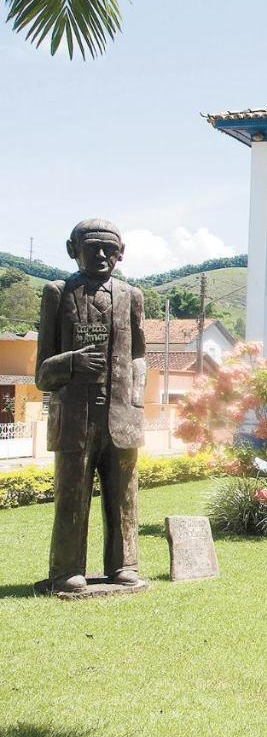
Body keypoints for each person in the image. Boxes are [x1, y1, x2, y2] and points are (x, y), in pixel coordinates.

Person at [35, 219, 147, 594]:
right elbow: (41, 373)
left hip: (121, 417)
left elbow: (139, 358)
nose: (101, 255)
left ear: (121, 253)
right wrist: (70, 363)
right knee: (71, 496)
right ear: (72, 249)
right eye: (91, 247)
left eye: (109, 249)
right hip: (74, 418)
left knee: (124, 497)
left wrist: (135, 399)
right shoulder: (57, 293)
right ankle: (67, 568)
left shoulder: (132, 296)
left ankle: (124, 564)